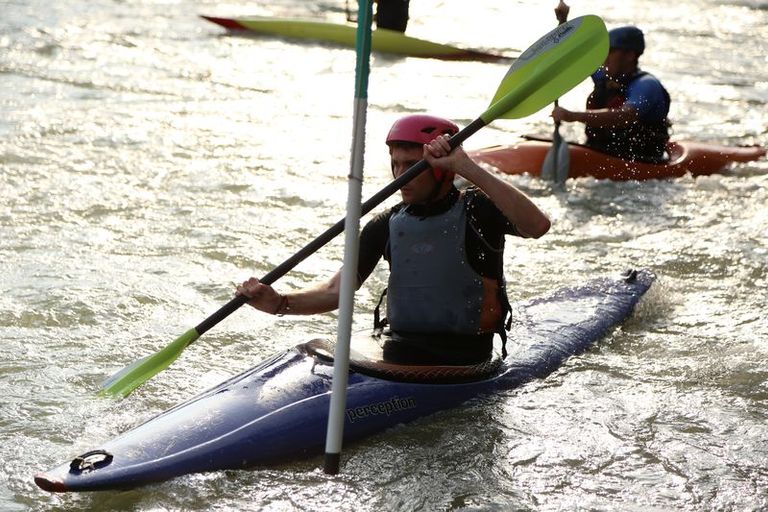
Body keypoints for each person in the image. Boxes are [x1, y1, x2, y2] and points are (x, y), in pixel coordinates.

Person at [237, 115, 551, 365]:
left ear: (441, 170)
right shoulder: (387, 224)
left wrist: (465, 167)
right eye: (396, 163)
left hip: (466, 360)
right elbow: (337, 291)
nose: (400, 174)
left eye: (411, 165)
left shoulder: (477, 210)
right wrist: (279, 302)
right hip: (399, 354)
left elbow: (537, 225)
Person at [551, 25, 671, 163]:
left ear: (630, 56)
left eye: (610, 51)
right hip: (599, 150)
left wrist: (573, 116)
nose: (603, 57)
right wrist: (563, 24)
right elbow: (573, 57)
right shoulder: (604, 76)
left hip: (640, 160)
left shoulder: (646, 85)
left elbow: (625, 116)